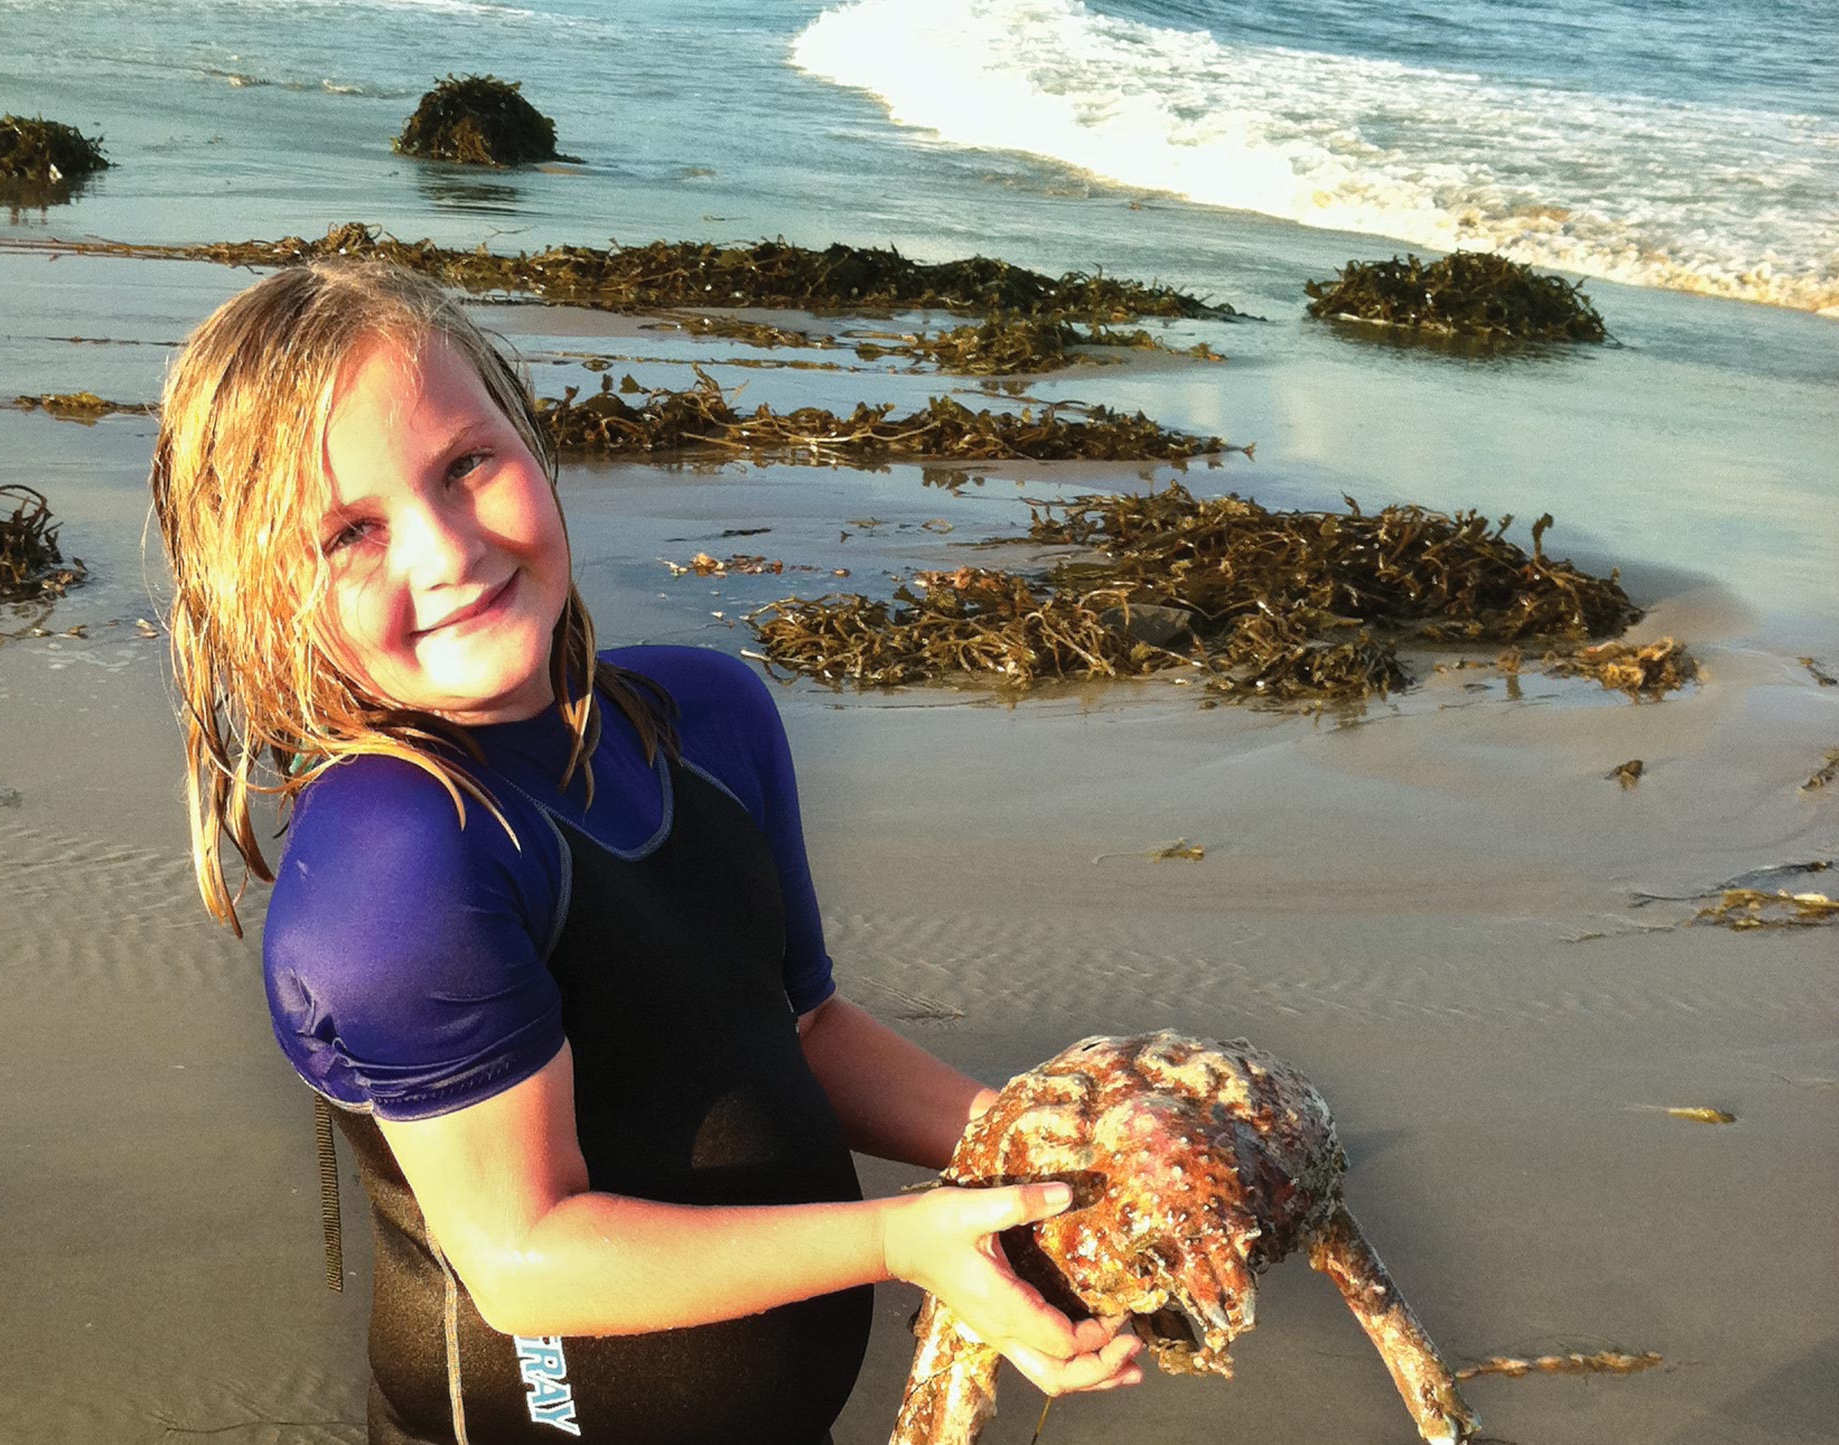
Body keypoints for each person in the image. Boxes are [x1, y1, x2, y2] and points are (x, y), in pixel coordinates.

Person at [148, 259, 1141, 1445]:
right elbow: (527, 1257)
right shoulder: (397, 860)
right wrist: (901, 1241)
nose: (448, 549)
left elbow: (803, 1031)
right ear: (258, 594)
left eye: (467, 463)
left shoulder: (706, 717)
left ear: (528, 435)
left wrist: (1049, 1157)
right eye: (350, 530)